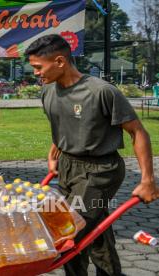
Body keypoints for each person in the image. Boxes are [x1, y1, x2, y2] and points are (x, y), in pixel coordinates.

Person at [24, 34, 159, 276]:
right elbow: (63, 126)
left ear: (60, 61)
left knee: (71, 229)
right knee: (94, 225)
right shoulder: (48, 93)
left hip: (101, 169)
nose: (35, 73)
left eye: (38, 67)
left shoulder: (102, 92)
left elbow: (138, 132)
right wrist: (54, 153)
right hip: (68, 166)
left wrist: (148, 180)